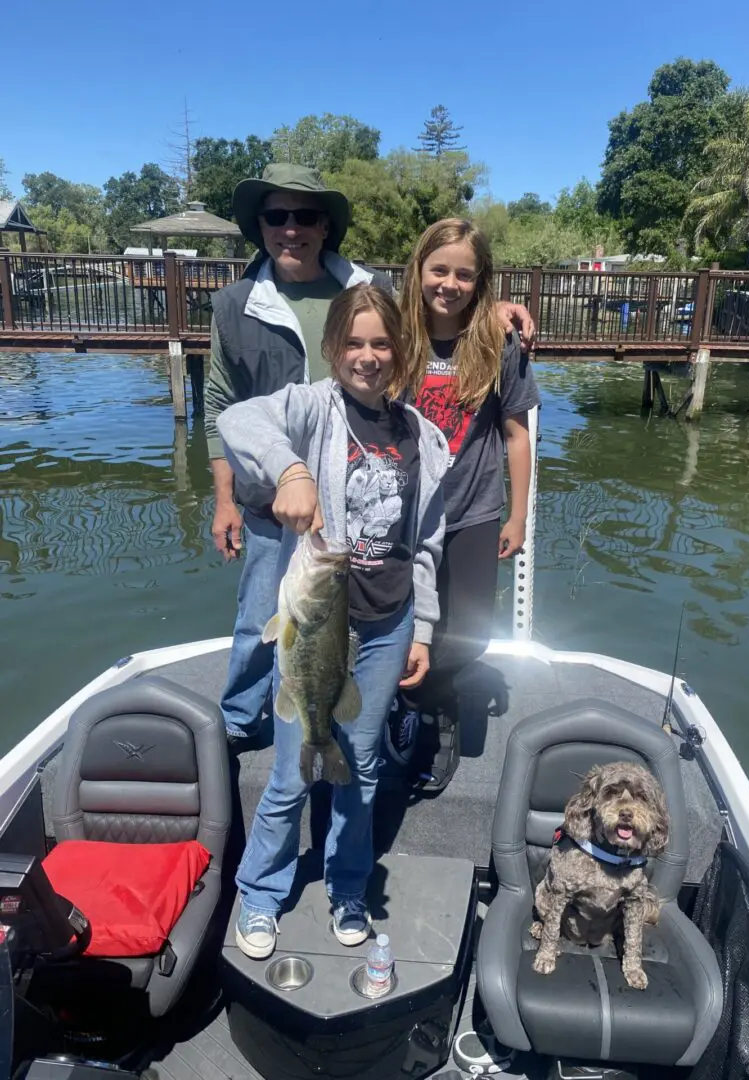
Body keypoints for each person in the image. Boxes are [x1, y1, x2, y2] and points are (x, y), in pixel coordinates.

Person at [204, 164, 536, 746]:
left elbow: (444, 302)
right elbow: (224, 408)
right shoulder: (239, 305)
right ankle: (251, 726)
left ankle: (395, 715)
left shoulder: (378, 292)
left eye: (305, 216)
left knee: (419, 626)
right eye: (277, 216)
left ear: (326, 226)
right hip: (312, 497)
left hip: (420, 499)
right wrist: (231, 494)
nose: (291, 228)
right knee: (272, 619)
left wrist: (496, 307)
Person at [216, 284, 449, 959]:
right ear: (330, 349)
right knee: (291, 773)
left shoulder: (422, 436)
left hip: (386, 628)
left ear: (402, 352)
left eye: (382, 344)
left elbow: (426, 540)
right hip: (316, 628)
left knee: (363, 765)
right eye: (354, 343)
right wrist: (289, 470)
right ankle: (260, 893)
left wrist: (423, 628)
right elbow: (238, 421)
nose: (368, 357)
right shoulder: (312, 408)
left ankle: (348, 886)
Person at [387, 218, 541, 790]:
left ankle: (437, 707)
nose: (449, 283)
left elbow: (517, 435)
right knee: (395, 619)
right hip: (401, 514)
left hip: (474, 511)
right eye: (439, 269)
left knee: (468, 633)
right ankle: (407, 708)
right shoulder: (393, 334)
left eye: (465, 274)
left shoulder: (500, 343)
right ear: (418, 271)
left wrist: (517, 514)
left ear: (481, 283)